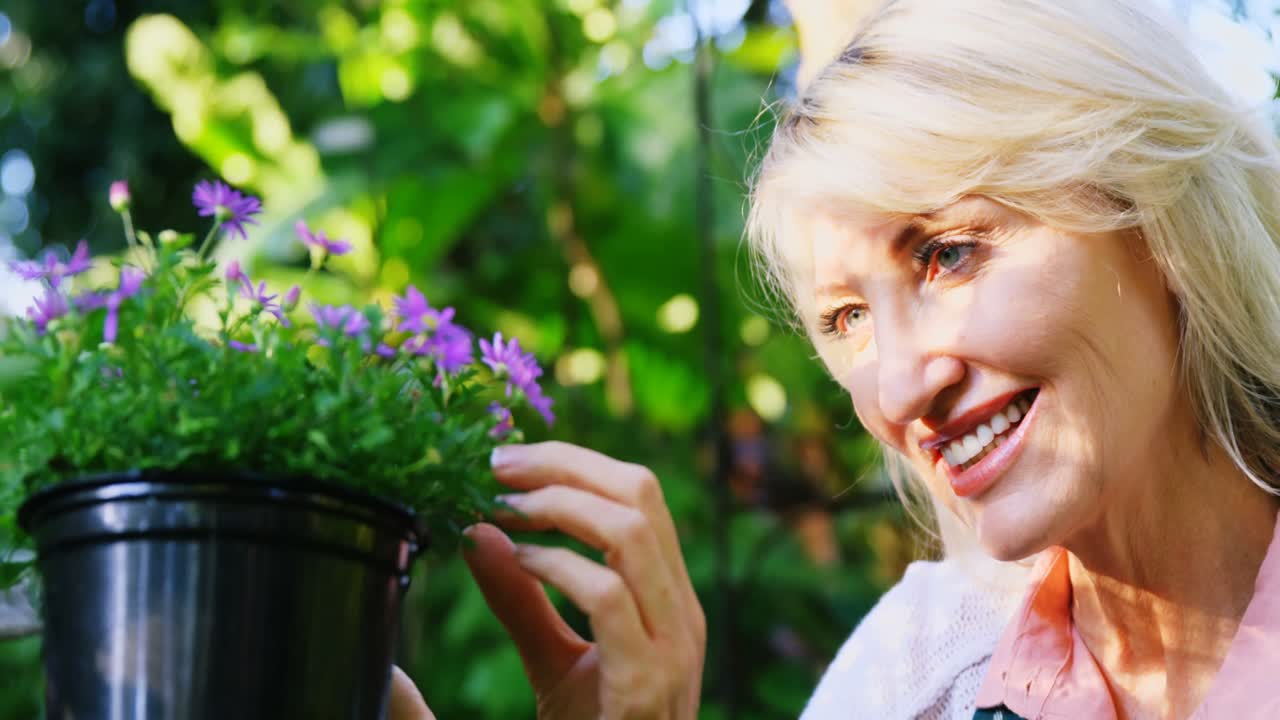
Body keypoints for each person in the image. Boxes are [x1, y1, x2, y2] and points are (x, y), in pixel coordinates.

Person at [392, 0, 1280, 717]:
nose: (897, 388)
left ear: (1156, 213)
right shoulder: (918, 666)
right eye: (848, 316)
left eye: (948, 253)